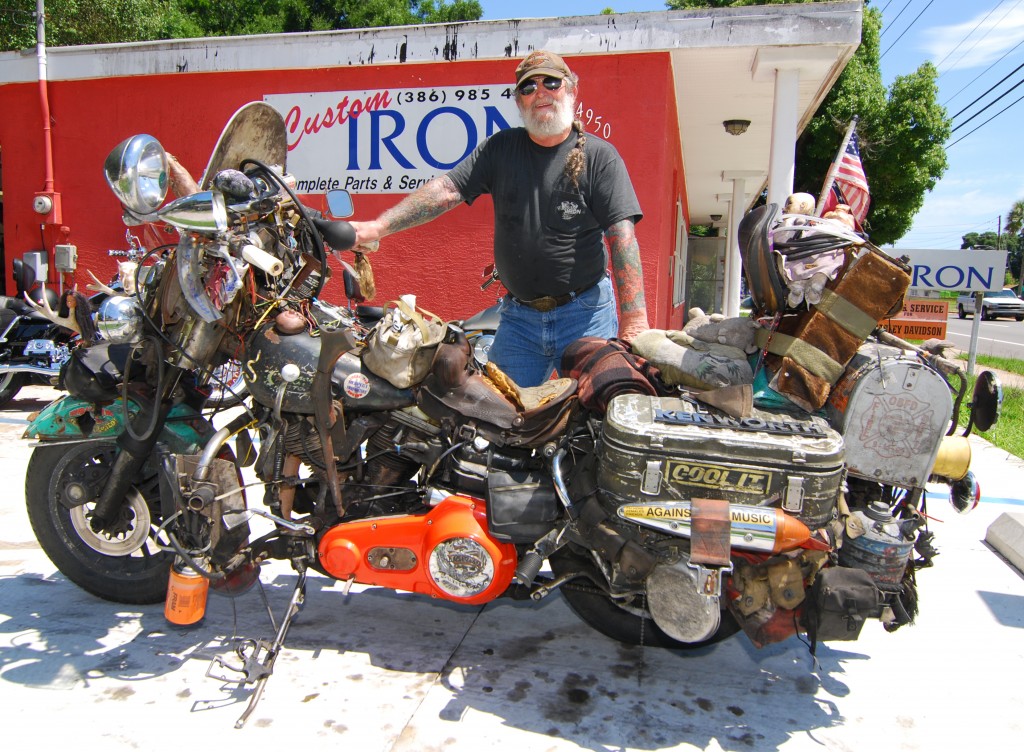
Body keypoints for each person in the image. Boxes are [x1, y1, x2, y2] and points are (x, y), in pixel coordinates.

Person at [349, 50, 649, 387]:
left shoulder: (599, 157)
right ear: (519, 102)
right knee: (501, 418)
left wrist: (635, 322)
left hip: (586, 314)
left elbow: (622, 236)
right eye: (528, 88)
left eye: (551, 82)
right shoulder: (501, 149)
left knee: (590, 421)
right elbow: (447, 190)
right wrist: (378, 227)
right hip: (519, 321)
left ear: (571, 90)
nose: (541, 93)